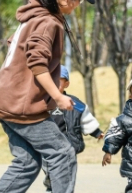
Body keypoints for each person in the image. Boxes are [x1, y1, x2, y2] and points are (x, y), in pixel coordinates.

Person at [0, 0, 95, 193]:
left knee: (27, 163)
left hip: (6, 99)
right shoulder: (47, 22)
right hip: (22, 105)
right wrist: (57, 96)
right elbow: (36, 63)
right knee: (63, 154)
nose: (78, 4)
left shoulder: (33, 16)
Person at [42, 65, 104, 193]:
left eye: (58, 81)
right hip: (47, 149)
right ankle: (52, 188)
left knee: (65, 179)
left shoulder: (75, 103)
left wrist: (97, 132)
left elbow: (85, 119)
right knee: (51, 177)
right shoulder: (41, 103)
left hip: (68, 149)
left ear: (66, 84)